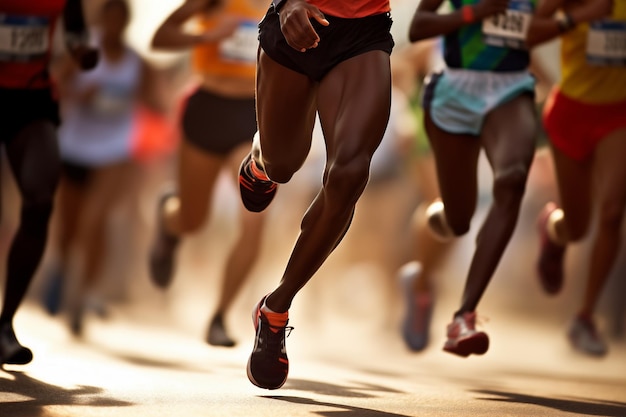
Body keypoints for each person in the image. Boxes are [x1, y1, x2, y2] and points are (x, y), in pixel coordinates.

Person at [237, 0, 394, 389]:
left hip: (364, 33)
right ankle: (261, 161)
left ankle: (275, 310)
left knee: (349, 174)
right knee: (283, 166)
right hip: (298, 17)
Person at [408, 0, 540, 357]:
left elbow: (536, 30)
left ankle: (463, 317)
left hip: (512, 89)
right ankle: (420, 272)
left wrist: (574, 18)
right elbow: (418, 27)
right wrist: (475, 13)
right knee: (458, 221)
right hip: (455, 90)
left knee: (511, 182)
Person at [149, 0, 269, 347]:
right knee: (192, 219)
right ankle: (168, 220)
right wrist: (208, 36)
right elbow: (160, 38)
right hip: (208, 109)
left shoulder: (286, 4)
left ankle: (220, 316)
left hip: (252, 117)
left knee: (255, 216)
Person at [43, 0, 161, 336]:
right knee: (69, 225)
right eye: (107, 20)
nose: (112, 27)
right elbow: (54, 85)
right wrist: (79, 95)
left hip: (113, 151)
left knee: (96, 220)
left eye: (119, 21)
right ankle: (61, 267)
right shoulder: (82, 51)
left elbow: (155, 101)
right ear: (100, 21)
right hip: (74, 147)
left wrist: (143, 100)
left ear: (125, 23)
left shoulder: (136, 63)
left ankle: (83, 296)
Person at [0, 0, 96, 364]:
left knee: (39, 203)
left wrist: (80, 48)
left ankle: (5, 324)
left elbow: (75, 28)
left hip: (32, 99)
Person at [527, 0, 623, 356]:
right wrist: (577, 17)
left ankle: (585, 317)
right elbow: (525, 35)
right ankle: (553, 229)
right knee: (577, 227)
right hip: (570, 113)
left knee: (612, 210)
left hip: (619, 114)